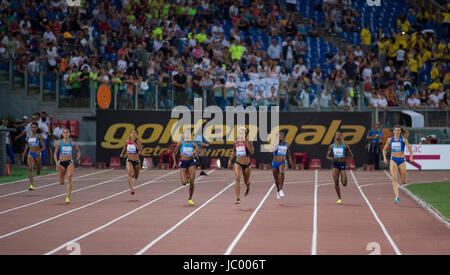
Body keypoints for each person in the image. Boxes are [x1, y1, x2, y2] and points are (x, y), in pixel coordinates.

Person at [383, 125, 413, 203]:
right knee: (394, 178)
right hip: (393, 160)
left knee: (403, 181)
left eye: (398, 130)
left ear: (400, 132)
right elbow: (384, 150)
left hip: (402, 160)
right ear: (393, 131)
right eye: (396, 130)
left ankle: (402, 183)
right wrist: (385, 158)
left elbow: (409, 149)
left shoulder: (404, 140)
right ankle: (397, 197)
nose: (397, 132)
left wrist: (411, 156)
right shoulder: (390, 140)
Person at [172, 128, 200, 205]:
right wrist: (174, 162)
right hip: (183, 163)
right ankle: (187, 177)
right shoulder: (181, 142)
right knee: (184, 183)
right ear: (184, 135)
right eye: (186, 133)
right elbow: (174, 153)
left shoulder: (193, 143)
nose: (187, 135)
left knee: (192, 181)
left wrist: (196, 153)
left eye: (189, 133)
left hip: (191, 162)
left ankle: (190, 198)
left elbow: (199, 151)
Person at [53, 128, 81, 204]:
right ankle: (63, 173)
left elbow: (78, 151)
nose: (66, 134)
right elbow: (55, 153)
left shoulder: (73, 143)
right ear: (62, 134)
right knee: (61, 182)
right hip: (61, 163)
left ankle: (67, 197)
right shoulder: (59, 143)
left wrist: (78, 157)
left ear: (69, 134)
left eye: (67, 132)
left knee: (69, 177)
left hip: (69, 162)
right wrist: (56, 163)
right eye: (64, 132)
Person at [227, 127, 254, 205]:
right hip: (238, 163)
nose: (241, 134)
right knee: (237, 177)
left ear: (245, 134)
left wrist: (247, 143)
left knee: (246, 181)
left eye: (243, 133)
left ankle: (248, 186)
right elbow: (234, 152)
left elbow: (252, 152)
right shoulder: (236, 142)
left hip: (247, 164)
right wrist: (229, 160)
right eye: (240, 133)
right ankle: (238, 198)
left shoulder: (249, 141)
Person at [326, 131, 353, 204]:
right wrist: (331, 158)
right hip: (335, 164)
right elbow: (327, 156)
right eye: (337, 135)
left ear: (341, 136)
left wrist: (349, 164)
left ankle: (343, 176)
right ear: (335, 137)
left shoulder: (345, 146)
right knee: (335, 181)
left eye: (339, 135)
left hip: (342, 164)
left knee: (344, 183)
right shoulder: (332, 146)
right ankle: (339, 198)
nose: (338, 135)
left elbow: (350, 155)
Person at [22, 122, 45, 191]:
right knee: (30, 168)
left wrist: (39, 151)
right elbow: (27, 144)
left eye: (34, 127)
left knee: (38, 171)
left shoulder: (39, 136)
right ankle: (31, 185)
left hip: (37, 154)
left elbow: (44, 146)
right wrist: (24, 152)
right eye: (32, 127)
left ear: (37, 128)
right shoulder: (29, 136)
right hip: (30, 153)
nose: (33, 128)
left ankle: (38, 171)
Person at [271, 131, 294, 199]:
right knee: (276, 179)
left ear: (283, 137)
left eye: (281, 135)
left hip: (283, 162)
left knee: (282, 173)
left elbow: (288, 151)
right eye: (278, 136)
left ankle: (281, 190)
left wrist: (290, 159)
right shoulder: (275, 143)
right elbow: (271, 151)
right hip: (275, 162)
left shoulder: (285, 143)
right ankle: (278, 191)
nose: (280, 137)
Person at [120, 129, 143, 195]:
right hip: (129, 160)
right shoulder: (127, 141)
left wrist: (134, 143)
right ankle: (132, 189)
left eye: (134, 133)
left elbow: (140, 149)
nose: (133, 134)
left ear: (136, 135)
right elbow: (124, 147)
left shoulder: (138, 141)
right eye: (132, 132)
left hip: (136, 161)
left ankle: (134, 175)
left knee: (136, 177)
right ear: (130, 134)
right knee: (129, 173)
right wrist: (122, 153)